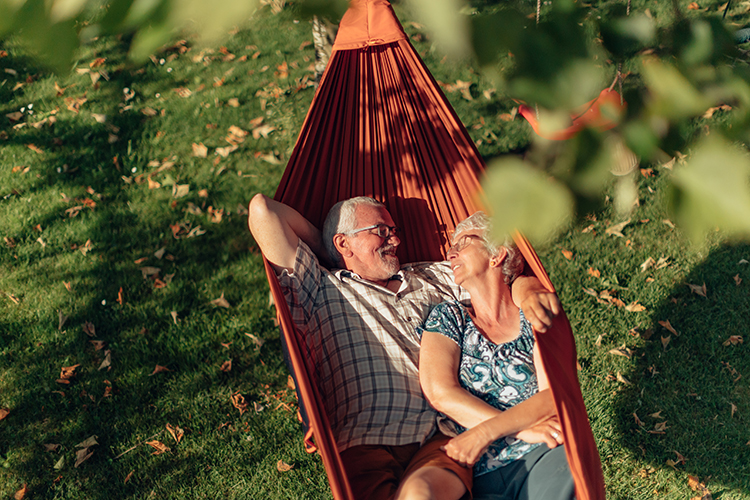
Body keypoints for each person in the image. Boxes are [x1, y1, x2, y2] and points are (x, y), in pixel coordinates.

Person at [247, 194, 561, 500]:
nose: (395, 240)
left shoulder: (432, 275)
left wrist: (530, 290)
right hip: (364, 443)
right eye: (381, 232)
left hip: (441, 435)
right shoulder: (318, 288)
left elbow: (498, 275)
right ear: (343, 242)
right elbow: (263, 211)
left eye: (394, 232)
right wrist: (331, 249)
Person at [418, 212, 575, 500]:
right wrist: (521, 430)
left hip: (544, 452)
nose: (450, 253)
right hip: (476, 471)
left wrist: (484, 433)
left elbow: (554, 394)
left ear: (497, 255)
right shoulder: (449, 318)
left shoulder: (533, 312)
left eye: (463, 242)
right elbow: (440, 393)